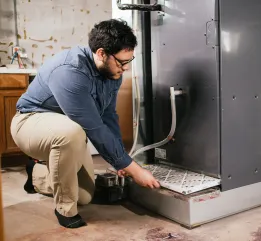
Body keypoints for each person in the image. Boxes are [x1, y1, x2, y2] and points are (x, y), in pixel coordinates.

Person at [10, 19, 160, 229]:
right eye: (121, 62)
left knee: (84, 196)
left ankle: (36, 175)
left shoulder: (112, 72)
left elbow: (108, 116)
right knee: (72, 133)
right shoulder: (69, 72)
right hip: (30, 121)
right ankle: (64, 209)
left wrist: (120, 160)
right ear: (101, 53)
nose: (125, 68)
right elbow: (94, 128)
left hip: (69, 130)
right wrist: (134, 169)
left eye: (129, 61)